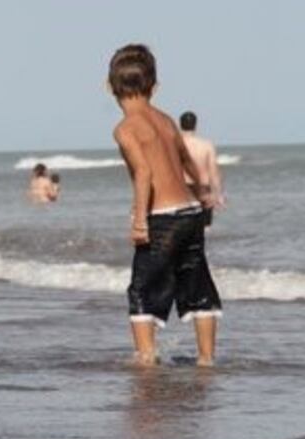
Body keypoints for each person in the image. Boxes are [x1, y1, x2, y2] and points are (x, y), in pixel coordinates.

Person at [108, 44, 221, 367]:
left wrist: (140, 220)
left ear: (108, 87)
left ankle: (145, 358)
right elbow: (187, 161)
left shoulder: (125, 128)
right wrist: (203, 194)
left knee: (142, 288)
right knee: (197, 282)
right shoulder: (166, 120)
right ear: (154, 87)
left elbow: (143, 173)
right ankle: (206, 359)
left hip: (161, 218)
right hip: (190, 214)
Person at [179, 112, 225, 227]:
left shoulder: (175, 145)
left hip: (181, 189)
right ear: (196, 125)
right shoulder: (206, 145)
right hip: (203, 189)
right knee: (204, 229)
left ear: (180, 125)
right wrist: (218, 194)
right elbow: (213, 171)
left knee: (182, 227)